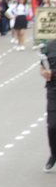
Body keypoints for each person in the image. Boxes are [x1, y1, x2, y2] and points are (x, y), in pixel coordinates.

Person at [40, 39, 56, 172]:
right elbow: (42, 67)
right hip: (53, 90)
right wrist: (43, 72)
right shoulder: (49, 46)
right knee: (52, 126)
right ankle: (54, 154)